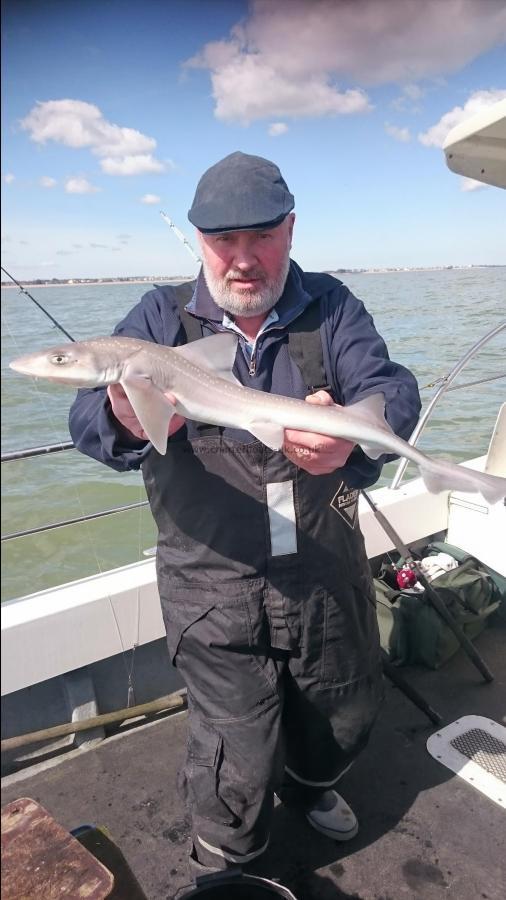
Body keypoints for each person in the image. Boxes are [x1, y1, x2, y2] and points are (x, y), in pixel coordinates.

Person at [69, 151, 421, 878]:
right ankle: (231, 862)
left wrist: (350, 452)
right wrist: (128, 417)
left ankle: (314, 784)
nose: (243, 258)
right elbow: (87, 424)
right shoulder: (158, 319)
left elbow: (391, 391)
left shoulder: (331, 309)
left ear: (291, 229)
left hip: (324, 569)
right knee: (233, 750)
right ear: (198, 241)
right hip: (213, 583)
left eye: (261, 236)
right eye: (222, 241)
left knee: (342, 711)